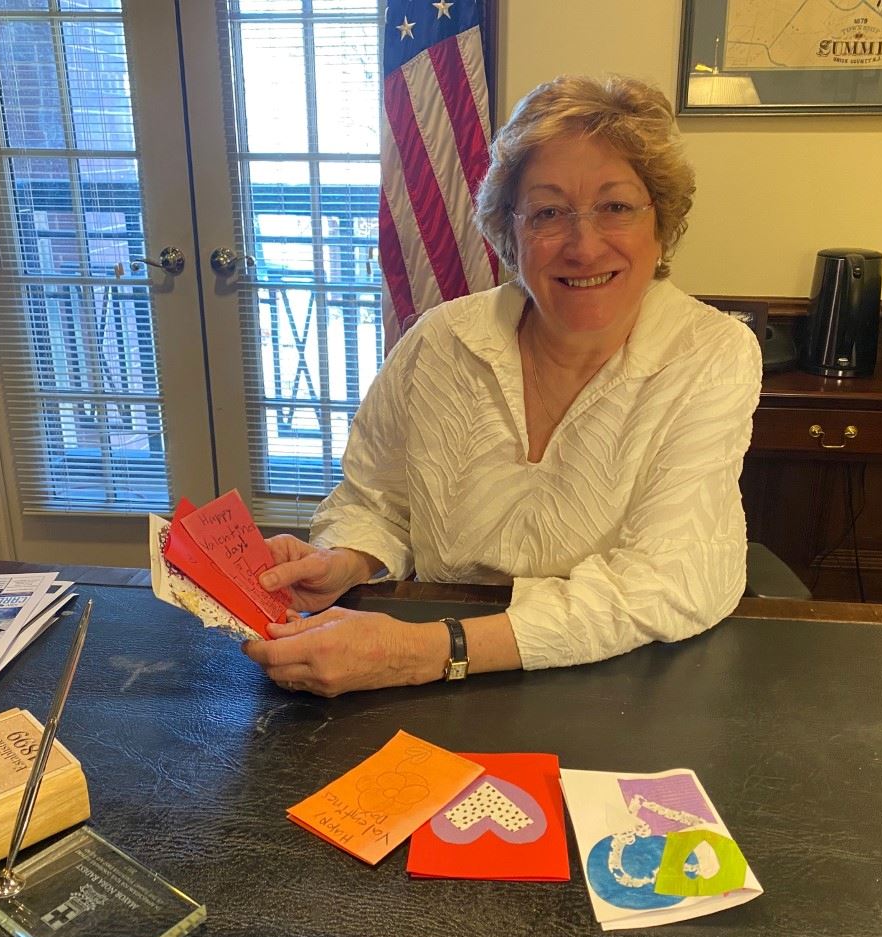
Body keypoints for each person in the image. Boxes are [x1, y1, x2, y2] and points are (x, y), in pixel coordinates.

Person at [244, 74, 761, 697]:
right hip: (427, 677)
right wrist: (344, 562)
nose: (583, 244)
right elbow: (376, 503)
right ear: (510, 234)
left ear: (661, 225)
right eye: (547, 213)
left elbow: (665, 580)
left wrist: (422, 651)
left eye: (617, 207)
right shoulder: (440, 340)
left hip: (622, 686)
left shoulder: (711, 354)